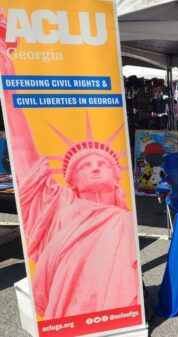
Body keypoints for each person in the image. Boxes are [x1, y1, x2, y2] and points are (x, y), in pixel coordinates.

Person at [1, 33, 139, 318]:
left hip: (121, 311)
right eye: (85, 166)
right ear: (72, 181)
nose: (96, 166)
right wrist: (7, 72)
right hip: (70, 309)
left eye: (103, 163)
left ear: (117, 178)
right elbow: (22, 142)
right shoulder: (59, 205)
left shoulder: (124, 218)